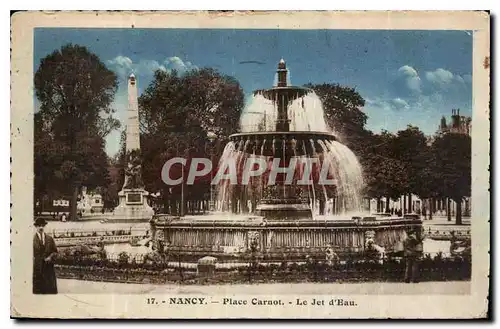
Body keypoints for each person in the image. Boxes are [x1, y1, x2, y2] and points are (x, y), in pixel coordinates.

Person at [33, 217, 58, 294]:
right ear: (36, 227)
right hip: (37, 269)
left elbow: (55, 251)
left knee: (50, 291)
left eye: (42, 225)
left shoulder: (50, 239)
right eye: (39, 226)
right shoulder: (31, 240)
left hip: (49, 269)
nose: (41, 227)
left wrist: (50, 257)